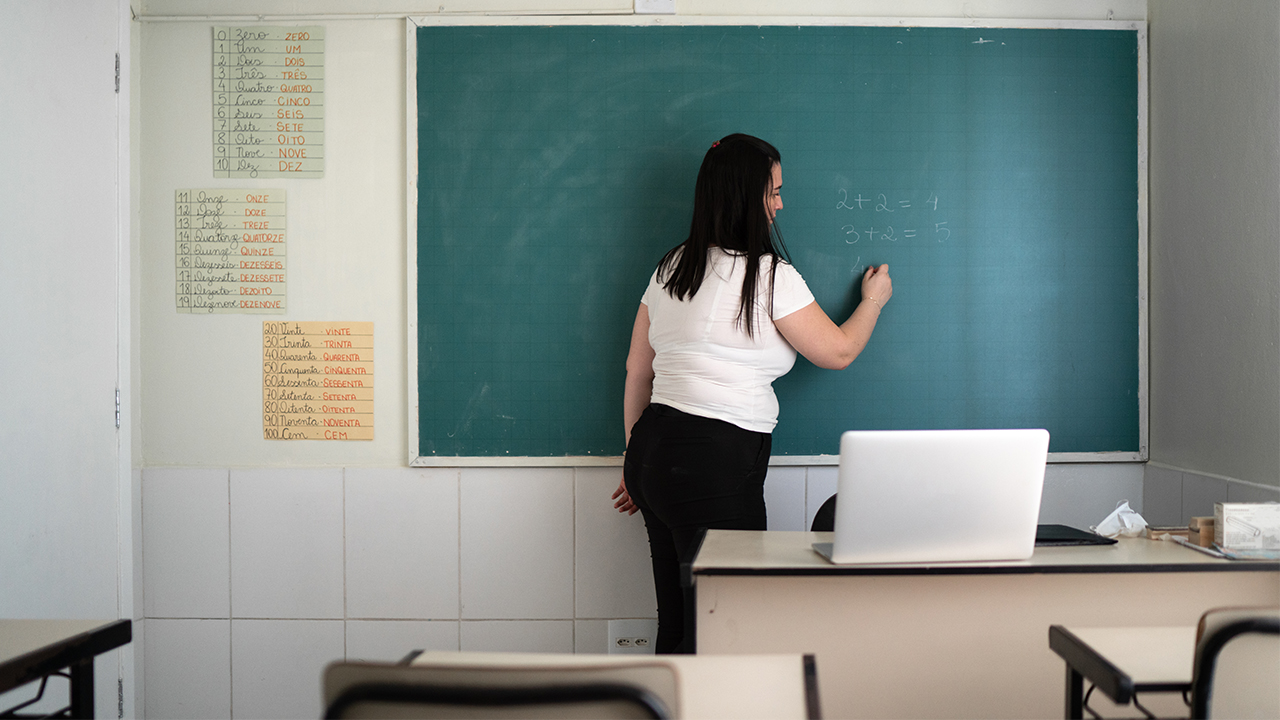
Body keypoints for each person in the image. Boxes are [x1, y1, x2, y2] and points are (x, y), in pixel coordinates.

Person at [611, 133, 894, 653]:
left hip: (652, 454)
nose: (780, 204)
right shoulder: (769, 275)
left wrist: (635, 459)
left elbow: (636, 369)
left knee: (676, 623)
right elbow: (837, 351)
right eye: (773, 191)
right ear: (746, 195)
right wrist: (873, 301)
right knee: (725, 629)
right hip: (711, 463)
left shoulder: (670, 267)